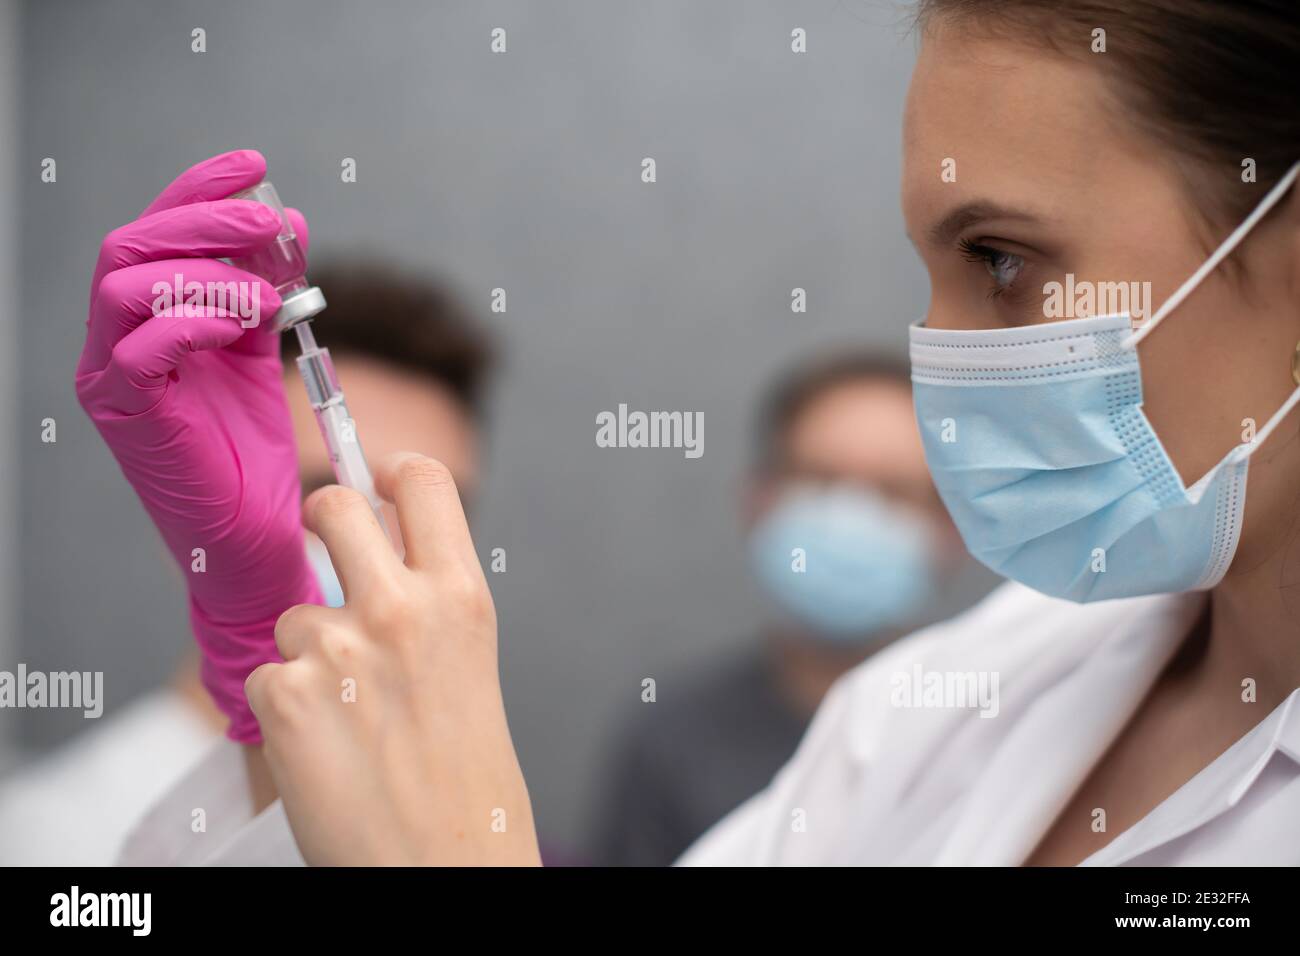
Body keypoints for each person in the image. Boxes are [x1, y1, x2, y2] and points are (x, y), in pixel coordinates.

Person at [78, 0, 1300, 867]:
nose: (945, 350)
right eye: (933, 265)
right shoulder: (947, 703)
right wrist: (269, 653)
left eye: (1001, 259)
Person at [0, 263, 492, 865]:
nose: (384, 547)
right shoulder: (51, 834)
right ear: (197, 517)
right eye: (327, 488)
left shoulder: (473, 809)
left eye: (429, 504)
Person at [589, 354, 964, 865]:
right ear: (758, 501)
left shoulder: (993, 726)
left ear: (951, 529)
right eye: (819, 478)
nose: (851, 514)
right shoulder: (673, 738)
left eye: (892, 491)